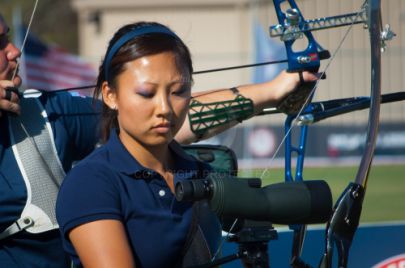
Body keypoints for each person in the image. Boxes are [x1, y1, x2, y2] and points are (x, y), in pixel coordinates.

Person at [0, 12, 318, 267]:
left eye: (178, 91)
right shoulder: (92, 185)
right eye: (0, 42)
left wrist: (272, 91)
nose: (14, 50)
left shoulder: (44, 114)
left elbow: (145, 119)